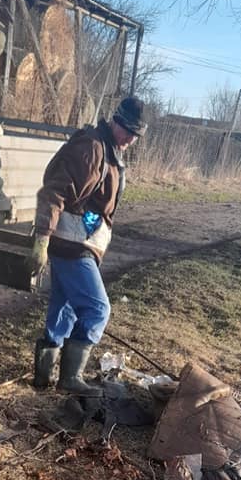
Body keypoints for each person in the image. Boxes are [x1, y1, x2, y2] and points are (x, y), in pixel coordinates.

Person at [27, 96, 147, 396]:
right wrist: (42, 236)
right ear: (115, 122)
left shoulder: (110, 149)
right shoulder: (92, 148)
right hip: (72, 244)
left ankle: (43, 378)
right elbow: (54, 191)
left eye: (136, 135)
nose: (130, 139)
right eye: (127, 131)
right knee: (97, 309)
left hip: (80, 242)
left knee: (65, 307)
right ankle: (70, 378)